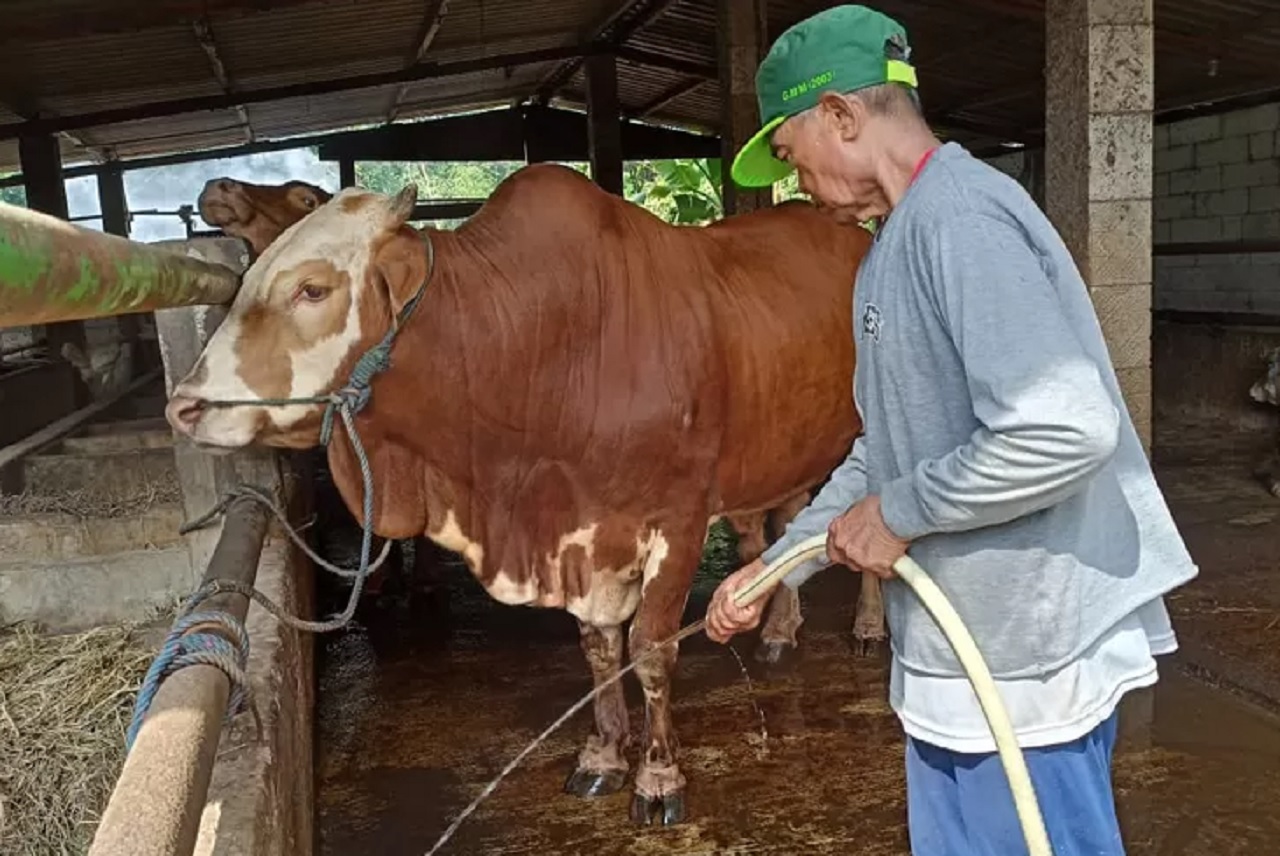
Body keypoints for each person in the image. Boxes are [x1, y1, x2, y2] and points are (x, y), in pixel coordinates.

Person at [705, 5, 1199, 855]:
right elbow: (885, 449)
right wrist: (781, 565)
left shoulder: (961, 220)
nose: (794, 182)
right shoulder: (894, 245)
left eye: (790, 155)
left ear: (841, 116)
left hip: (1024, 657)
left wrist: (900, 513)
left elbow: (1062, 428)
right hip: (963, 650)